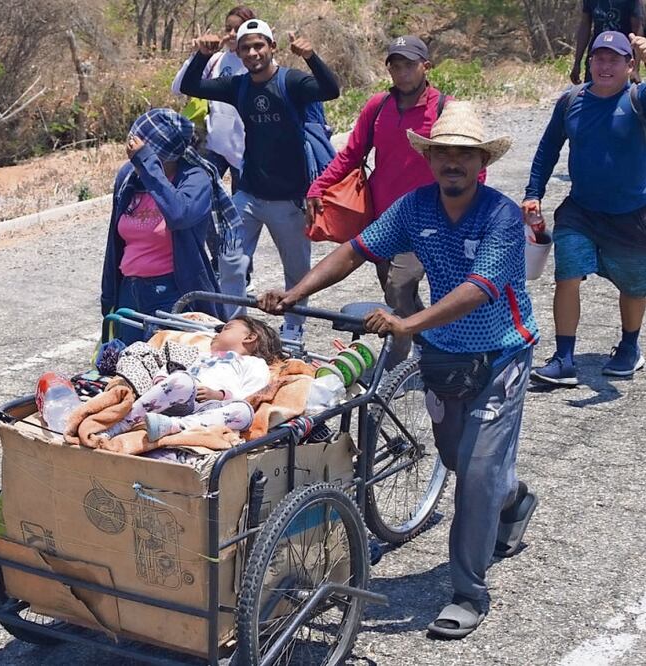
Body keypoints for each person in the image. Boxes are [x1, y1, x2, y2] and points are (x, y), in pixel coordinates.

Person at [259, 102, 539, 639]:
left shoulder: (502, 217)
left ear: (482, 162)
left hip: (500, 355)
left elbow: (476, 291)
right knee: (460, 459)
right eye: (443, 153)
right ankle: (514, 497)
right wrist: (294, 293)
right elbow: (356, 250)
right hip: (443, 356)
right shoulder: (415, 208)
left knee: (476, 476)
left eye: (464, 154)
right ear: (430, 159)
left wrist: (408, 322)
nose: (452, 162)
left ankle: (468, 593)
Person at [525, 32, 646, 386]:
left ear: (630, 66)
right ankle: (564, 358)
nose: (605, 65)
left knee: (633, 287)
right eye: (599, 58)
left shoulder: (642, 98)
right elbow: (548, 147)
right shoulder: (571, 101)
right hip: (581, 211)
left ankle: (629, 347)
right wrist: (533, 192)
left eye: (615, 59)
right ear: (589, 63)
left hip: (631, 213)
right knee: (566, 277)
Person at [179, 19, 341, 341]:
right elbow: (191, 87)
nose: (253, 52)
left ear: (272, 47)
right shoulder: (238, 86)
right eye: (246, 48)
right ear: (238, 53)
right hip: (249, 196)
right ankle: (235, 326)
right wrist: (201, 55)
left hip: (290, 200)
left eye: (258, 45)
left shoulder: (291, 82)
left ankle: (293, 328)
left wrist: (311, 57)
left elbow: (330, 90)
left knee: (296, 273)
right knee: (231, 263)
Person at [306, 35, 460, 368]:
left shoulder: (443, 109)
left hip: (431, 218)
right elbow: (351, 154)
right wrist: (319, 186)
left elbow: (466, 160)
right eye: (395, 66)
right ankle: (422, 352)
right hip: (384, 218)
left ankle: (414, 357)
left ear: (426, 66)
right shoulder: (378, 107)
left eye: (409, 65)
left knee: (400, 284)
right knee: (396, 293)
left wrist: (467, 208)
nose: (402, 73)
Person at [101, 109, 240, 345]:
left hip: (171, 294)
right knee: (125, 366)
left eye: (138, 150)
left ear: (159, 154)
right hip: (130, 291)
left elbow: (179, 214)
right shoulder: (129, 178)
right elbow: (114, 243)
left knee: (168, 372)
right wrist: (108, 296)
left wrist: (148, 166)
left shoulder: (195, 179)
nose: (131, 155)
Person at [98, 316, 280, 442]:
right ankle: (124, 422)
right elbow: (172, 369)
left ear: (250, 337)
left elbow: (249, 396)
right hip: (179, 399)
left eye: (226, 328)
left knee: (244, 412)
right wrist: (163, 379)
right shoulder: (201, 354)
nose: (216, 333)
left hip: (210, 410)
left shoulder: (254, 364)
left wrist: (218, 395)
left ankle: (173, 426)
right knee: (182, 381)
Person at [171, 6, 254, 189]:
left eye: (238, 29)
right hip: (215, 146)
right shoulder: (216, 59)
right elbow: (178, 87)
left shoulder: (256, 61)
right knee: (201, 194)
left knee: (241, 209)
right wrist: (197, 55)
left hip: (246, 151)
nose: (232, 34)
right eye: (228, 28)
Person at [571, 0, 646, 84]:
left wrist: (635, 69)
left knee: (621, 93)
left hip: (621, 55)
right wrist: (577, 63)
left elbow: (637, 30)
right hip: (598, 53)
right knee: (593, 91)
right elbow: (585, 26)